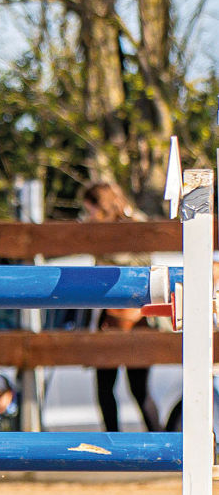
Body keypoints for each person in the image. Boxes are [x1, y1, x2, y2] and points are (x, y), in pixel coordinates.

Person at [82, 181, 162, 432]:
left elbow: (139, 262)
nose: (87, 216)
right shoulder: (97, 230)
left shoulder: (134, 222)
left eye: (90, 210)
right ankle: (112, 443)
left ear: (101, 206)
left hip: (136, 318)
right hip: (109, 318)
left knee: (139, 390)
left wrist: (102, 241)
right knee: (104, 388)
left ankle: (158, 441)